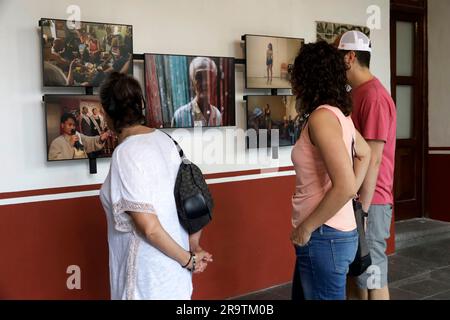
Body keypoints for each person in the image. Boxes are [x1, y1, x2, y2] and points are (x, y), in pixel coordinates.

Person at [99, 72, 213, 300]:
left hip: (147, 280)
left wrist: (188, 260)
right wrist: (193, 247)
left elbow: (148, 227)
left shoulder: (126, 153)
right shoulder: (166, 140)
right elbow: (193, 200)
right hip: (174, 275)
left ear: (108, 113)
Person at [290, 41, 371, 300]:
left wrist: (307, 228)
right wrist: (348, 198)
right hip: (332, 235)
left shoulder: (323, 118)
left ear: (308, 77)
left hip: (325, 236)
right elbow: (365, 153)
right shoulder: (338, 115)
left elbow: (345, 185)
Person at [336, 31, 397, 301]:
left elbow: (372, 159)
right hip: (357, 199)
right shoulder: (356, 93)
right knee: (358, 272)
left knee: (373, 273)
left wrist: (365, 209)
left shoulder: (374, 96)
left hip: (371, 200)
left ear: (349, 57)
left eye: (338, 57)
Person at [171, 57, 222, 128]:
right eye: (199, 77)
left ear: (214, 83)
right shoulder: (180, 116)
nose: (205, 82)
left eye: (208, 77)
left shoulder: (217, 114)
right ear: (192, 82)